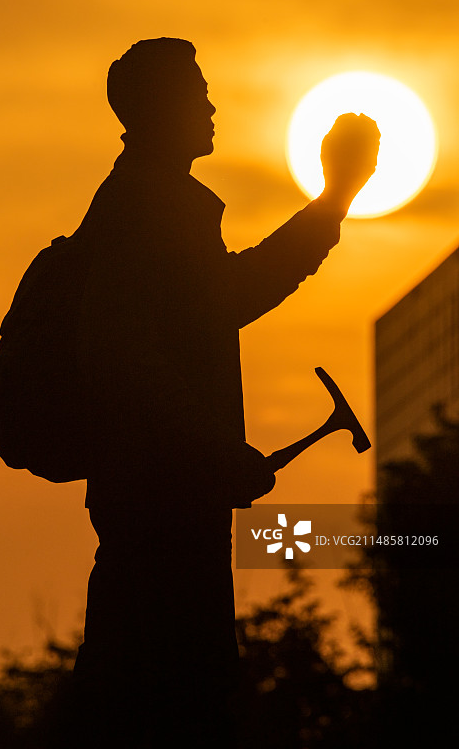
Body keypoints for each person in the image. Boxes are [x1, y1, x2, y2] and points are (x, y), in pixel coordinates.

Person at [61, 37, 380, 748]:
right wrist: (214, 450)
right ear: (158, 107)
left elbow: (226, 297)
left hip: (169, 504)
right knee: (164, 697)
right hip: (158, 506)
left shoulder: (161, 203)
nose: (210, 107)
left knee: (171, 690)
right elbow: (118, 351)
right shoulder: (142, 204)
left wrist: (334, 199)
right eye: (196, 93)